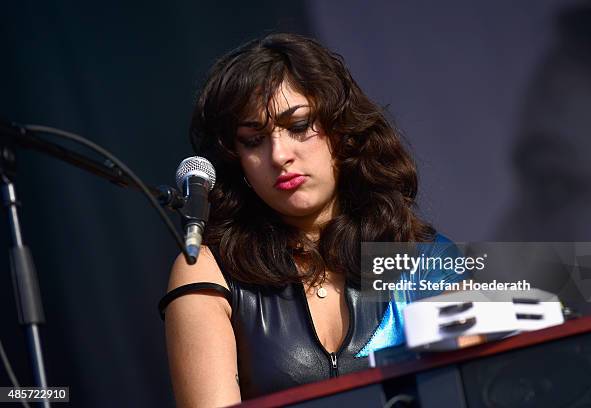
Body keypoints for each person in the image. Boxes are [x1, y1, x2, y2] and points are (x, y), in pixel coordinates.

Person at [159, 33, 466, 407]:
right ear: (234, 159)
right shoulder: (206, 271)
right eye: (253, 140)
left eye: (300, 125)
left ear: (342, 130)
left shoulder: (425, 259)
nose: (279, 154)